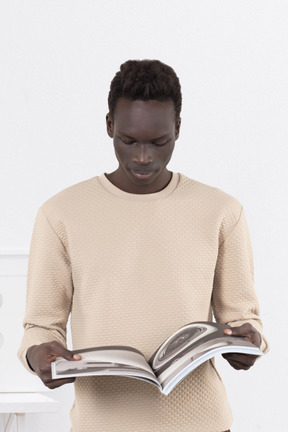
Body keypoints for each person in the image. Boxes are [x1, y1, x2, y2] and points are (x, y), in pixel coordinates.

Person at [18, 59, 268, 432]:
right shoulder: (61, 214)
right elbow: (40, 325)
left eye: (159, 142)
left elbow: (243, 317)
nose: (143, 157)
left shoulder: (221, 211)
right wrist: (40, 355)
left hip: (202, 424)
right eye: (129, 140)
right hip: (101, 424)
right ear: (109, 126)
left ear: (178, 129)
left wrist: (247, 343)